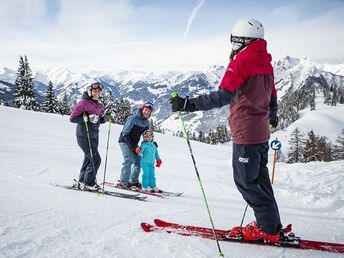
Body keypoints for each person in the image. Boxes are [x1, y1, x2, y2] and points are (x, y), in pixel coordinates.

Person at [169, 18, 281, 243]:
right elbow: (272, 95)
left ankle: (267, 229)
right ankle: (271, 225)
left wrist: (188, 104)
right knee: (260, 181)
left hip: (246, 132)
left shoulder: (243, 60)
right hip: (260, 132)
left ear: (240, 39)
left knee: (246, 182)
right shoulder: (265, 61)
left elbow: (223, 95)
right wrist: (273, 114)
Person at [70, 82, 108, 191]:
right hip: (83, 135)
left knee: (88, 159)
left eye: (99, 91)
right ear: (90, 91)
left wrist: (106, 117)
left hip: (94, 136)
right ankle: (89, 182)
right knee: (96, 159)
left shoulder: (99, 105)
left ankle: (82, 180)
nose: (97, 93)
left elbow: (99, 120)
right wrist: (85, 119)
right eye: (95, 91)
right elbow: (72, 118)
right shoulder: (83, 103)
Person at [117, 101, 154, 190]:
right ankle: (123, 182)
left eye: (149, 112)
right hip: (124, 141)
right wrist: (133, 147)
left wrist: (148, 145)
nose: (146, 112)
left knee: (138, 161)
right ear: (142, 109)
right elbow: (125, 133)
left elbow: (145, 135)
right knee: (128, 160)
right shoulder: (133, 118)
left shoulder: (146, 123)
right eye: (145, 110)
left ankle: (133, 181)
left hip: (134, 144)